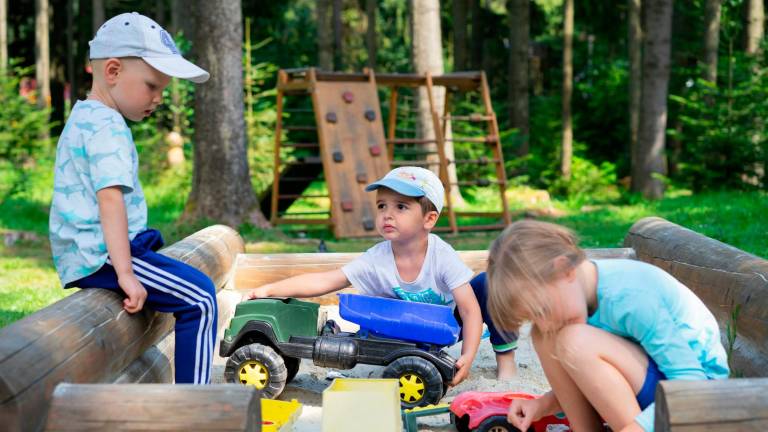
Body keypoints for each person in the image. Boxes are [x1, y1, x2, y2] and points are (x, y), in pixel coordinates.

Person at [49, 12, 216, 384]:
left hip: (93, 251)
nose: (158, 99)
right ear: (112, 71)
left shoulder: (86, 117)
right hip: (104, 256)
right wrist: (125, 272)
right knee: (201, 298)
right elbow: (110, 200)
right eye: (152, 86)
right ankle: (199, 407)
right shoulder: (107, 127)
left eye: (163, 90)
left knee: (185, 282)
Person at [247, 166, 512, 384]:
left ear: (429, 220)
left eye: (401, 207)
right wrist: (270, 290)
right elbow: (329, 280)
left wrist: (467, 355)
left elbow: (469, 311)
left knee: (489, 285)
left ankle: (506, 361)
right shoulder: (377, 257)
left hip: (445, 324)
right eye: (382, 206)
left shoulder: (441, 255)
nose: (387, 214)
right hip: (404, 330)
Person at [486, 220, 729, 432]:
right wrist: (542, 405)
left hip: (697, 396)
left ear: (564, 270)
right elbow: (602, 379)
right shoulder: (576, 298)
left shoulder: (629, 297)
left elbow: (690, 382)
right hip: (654, 392)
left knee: (575, 342)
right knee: (544, 336)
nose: (544, 322)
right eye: (533, 317)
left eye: (543, 310)